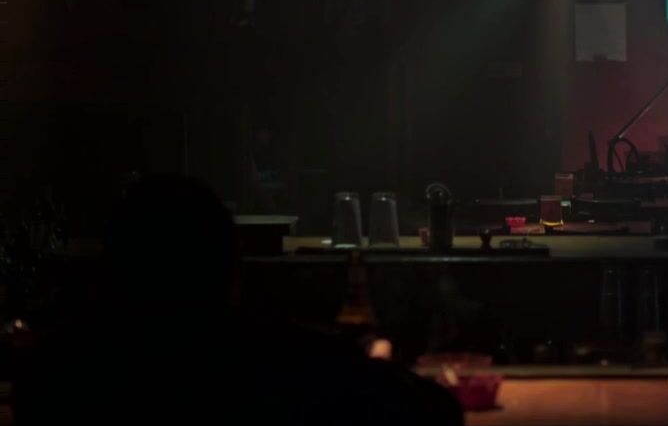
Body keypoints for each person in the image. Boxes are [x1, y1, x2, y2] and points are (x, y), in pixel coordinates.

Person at [15, 175, 463, 426]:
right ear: (234, 269)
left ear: (111, 270)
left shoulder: (58, 368)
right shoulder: (289, 358)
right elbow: (438, 413)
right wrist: (375, 367)